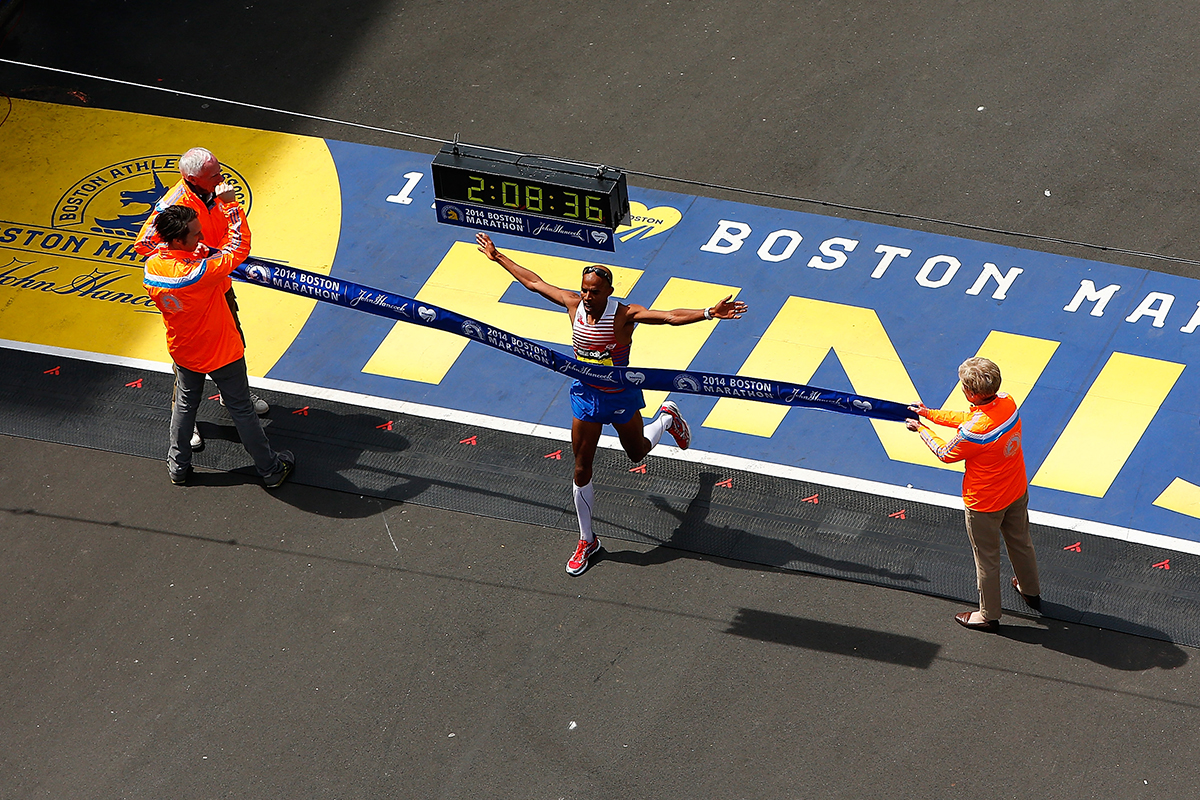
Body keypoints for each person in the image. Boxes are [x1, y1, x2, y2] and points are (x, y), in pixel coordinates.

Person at [476, 232, 748, 575]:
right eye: (585, 290)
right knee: (580, 467)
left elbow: (668, 317)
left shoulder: (624, 315)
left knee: (636, 452)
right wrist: (497, 256)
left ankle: (666, 418)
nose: (588, 296)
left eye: (595, 292)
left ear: (609, 292)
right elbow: (534, 282)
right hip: (586, 396)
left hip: (620, 396)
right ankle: (588, 540)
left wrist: (708, 312)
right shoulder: (573, 304)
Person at [143, 204, 294, 489]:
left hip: (185, 350)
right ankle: (270, 469)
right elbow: (238, 248)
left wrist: (195, 253)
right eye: (196, 235)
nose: (201, 239)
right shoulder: (201, 272)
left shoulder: (153, 266)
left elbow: (179, 266)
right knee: (241, 410)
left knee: (185, 407)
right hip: (221, 349)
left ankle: (178, 467)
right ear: (177, 240)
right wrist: (230, 206)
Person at [134, 147, 270, 451]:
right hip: (193, 290)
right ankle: (186, 418)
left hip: (217, 284)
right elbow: (144, 244)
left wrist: (206, 259)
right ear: (191, 178)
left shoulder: (216, 194)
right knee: (187, 362)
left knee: (232, 338)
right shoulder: (173, 204)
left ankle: (232, 393)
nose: (221, 179)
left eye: (220, 171)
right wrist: (194, 260)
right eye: (213, 176)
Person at [906, 357, 1040, 632]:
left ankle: (988, 615)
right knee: (1021, 542)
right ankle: (1030, 589)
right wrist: (929, 413)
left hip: (984, 504)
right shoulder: (1007, 402)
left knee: (987, 559)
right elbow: (972, 417)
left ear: (969, 393)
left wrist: (921, 428)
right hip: (1015, 489)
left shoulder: (972, 434)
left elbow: (945, 453)